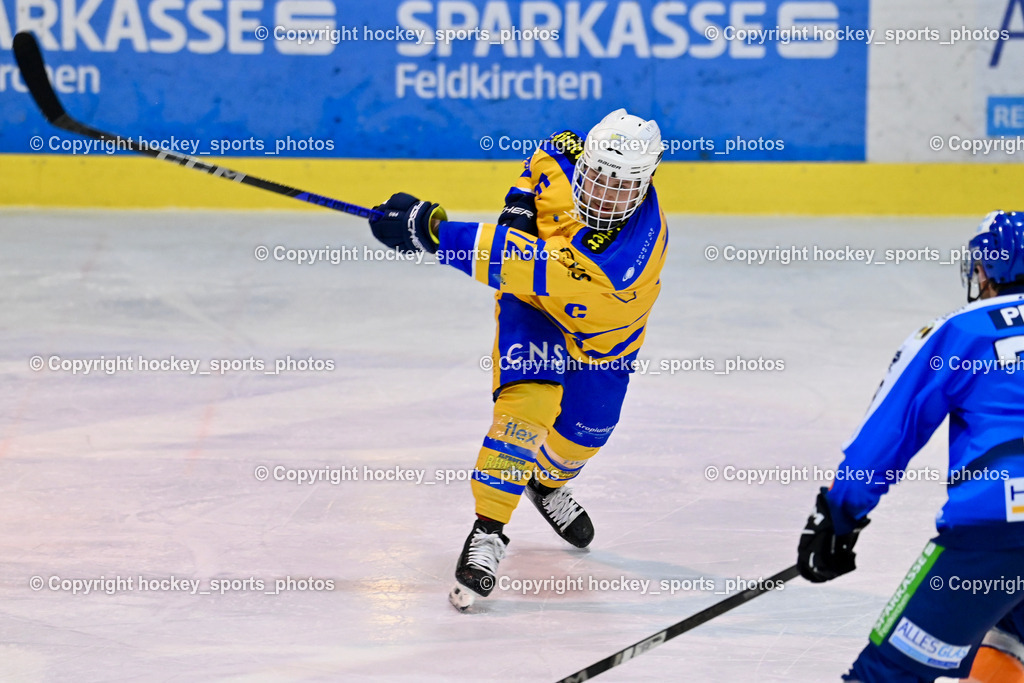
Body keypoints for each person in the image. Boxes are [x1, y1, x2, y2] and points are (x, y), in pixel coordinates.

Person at [366, 109, 667, 611]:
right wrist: (519, 212)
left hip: (604, 337)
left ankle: (546, 484)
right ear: (586, 160)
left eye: (620, 187)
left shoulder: (621, 257)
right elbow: (538, 168)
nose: (602, 194)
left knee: (587, 431)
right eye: (595, 177)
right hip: (533, 310)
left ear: (645, 183)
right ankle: (488, 532)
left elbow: (518, 262)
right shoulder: (566, 151)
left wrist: (430, 231)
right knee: (524, 413)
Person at [797, 210, 1024, 682]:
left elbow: (889, 434)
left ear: (985, 270)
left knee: (885, 675)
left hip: (996, 528)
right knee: (1006, 642)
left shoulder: (964, 330)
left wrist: (839, 515)